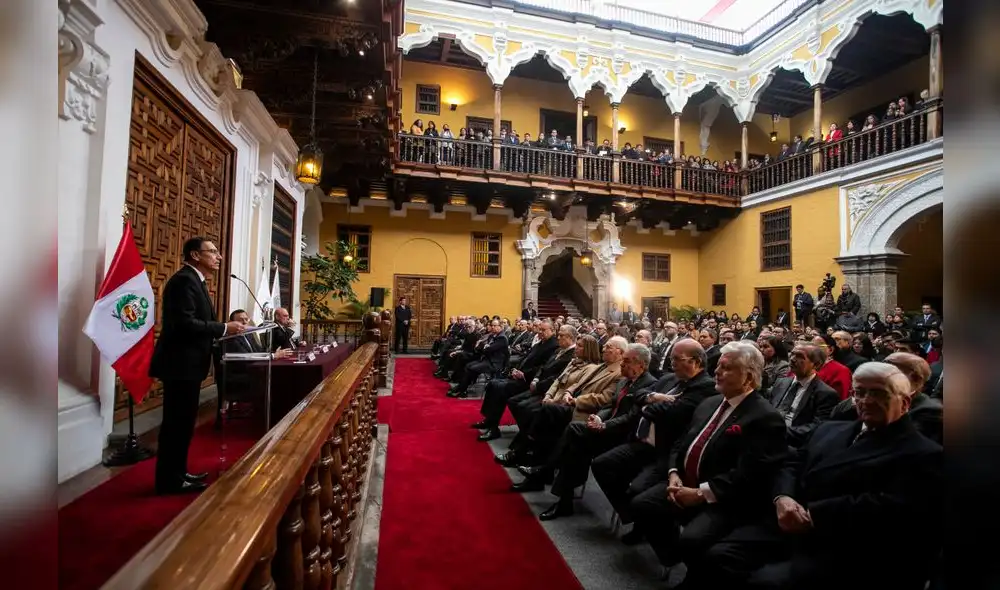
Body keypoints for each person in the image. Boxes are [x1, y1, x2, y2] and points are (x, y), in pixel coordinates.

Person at [150, 237, 245, 494]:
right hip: (180, 365)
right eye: (212, 252)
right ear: (195, 255)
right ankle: (169, 480)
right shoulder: (183, 281)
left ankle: (178, 473)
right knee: (176, 424)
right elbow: (184, 324)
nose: (218, 256)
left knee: (183, 424)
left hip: (189, 365)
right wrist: (225, 327)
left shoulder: (196, 281)